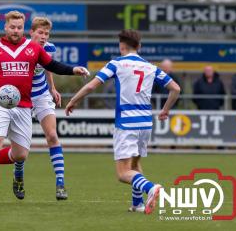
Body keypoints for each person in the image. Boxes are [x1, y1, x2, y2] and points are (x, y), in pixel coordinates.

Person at [0, 11, 89, 208]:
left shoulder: (33, 48)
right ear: (5, 27)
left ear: (23, 28)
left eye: (19, 27)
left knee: (20, 155)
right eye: (12, 27)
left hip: (24, 106)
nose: (15, 31)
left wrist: (73, 70)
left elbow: (52, 65)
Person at [65, 29, 180, 214]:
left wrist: (73, 101)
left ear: (121, 46)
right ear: (139, 46)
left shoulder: (117, 64)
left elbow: (92, 85)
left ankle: (151, 188)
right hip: (145, 123)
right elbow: (175, 88)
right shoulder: (150, 67)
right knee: (134, 165)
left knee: (123, 173)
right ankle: (137, 204)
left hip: (127, 123)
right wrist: (165, 110)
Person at [12, 17, 68, 201]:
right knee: (22, 147)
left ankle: (60, 183)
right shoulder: (20, 48)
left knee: (52, 136)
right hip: (22, 97)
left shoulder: (49, 48)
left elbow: (48, 66)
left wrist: (52, 88)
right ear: (31, 32)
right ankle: (18, 174)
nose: (44, 37)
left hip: (42, 95)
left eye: (47, 33)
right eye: (40, 33)